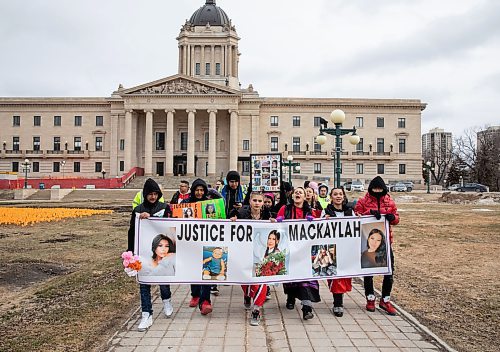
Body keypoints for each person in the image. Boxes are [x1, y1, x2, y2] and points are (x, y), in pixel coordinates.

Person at [127, 178, 173, 331]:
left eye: (155, 194)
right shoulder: (138, 210)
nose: (153, 197)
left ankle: (166, 299)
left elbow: (171, 226)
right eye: (150, 194)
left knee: (163, 280)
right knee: (144, 283)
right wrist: (131, 252)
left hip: (161, 251)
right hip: (143, 253)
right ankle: (147, 313)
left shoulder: (164, 207)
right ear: (145, 194)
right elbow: (132, 231)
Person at [354, 176, 399, 315]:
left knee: (389, 272)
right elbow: (356, 215)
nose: (377, 191)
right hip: (369, 241)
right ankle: (370, 298)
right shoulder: (363, 201)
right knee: (369, 271)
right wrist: (369, 214)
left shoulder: (389, 202)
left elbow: (396, 217)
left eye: (380, 189)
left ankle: (385, 300)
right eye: (375, 189)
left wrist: (393, 218)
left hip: (385, 242)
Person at [230, 192, 274, 326]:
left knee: (261, 281)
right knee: (245, 280)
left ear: (262, 203)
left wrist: (274, 223)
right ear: (249, 201)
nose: (257, 203)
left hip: (261, 253)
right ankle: (247, 294)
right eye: (254, 200)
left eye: (259, 201)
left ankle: (256, 309)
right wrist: (233, 220)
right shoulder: (242, 213)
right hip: (244, 252)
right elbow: (231, 226)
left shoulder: (267, 215)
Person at [277, 187, 320, 320]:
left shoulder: (309, 211)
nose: (298, 194)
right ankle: (290, 298)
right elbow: (276, 224)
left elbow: (320, 225)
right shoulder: (285, 208)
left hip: (304, 250)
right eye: (296, 192)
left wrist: (315, 219)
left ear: (304, 197)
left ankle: (306, 307)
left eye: (300, 192)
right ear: (293, 196)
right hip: (288, 248)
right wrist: (278, 220)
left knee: (304, 277)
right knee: (290, 276)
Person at [182, 178, 213, 315]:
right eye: (197, 190)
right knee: (193, 269)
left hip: (207, 240)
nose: (199, 193)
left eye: (202, 190)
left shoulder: (211, 204)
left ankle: (205, 300)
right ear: (193, 190)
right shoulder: (185, 204)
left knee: (206, 269)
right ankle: (195, 295)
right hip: (191, 241)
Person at [322, 186, 354, 317]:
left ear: (344, 196)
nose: (338, 196)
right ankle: (337, 304)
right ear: (331, 197)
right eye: (335, 194)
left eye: (340, 194)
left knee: (344, 276)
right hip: (332, 249)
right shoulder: (326, 212)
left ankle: (339, 301)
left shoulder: (350, 212)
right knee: (335, 276)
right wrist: (325, 222)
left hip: (346, 249)